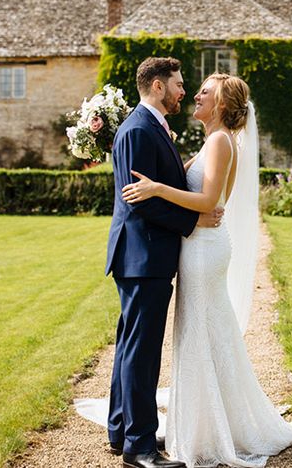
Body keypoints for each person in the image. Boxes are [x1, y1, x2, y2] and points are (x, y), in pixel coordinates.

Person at [122, 73, 292, 468]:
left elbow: (205, 200)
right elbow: (194, 189)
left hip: (203, 250)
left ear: (221, 103)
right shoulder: (213, 142)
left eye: (204, 91)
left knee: (198, 334)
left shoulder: (220, 141)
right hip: (199, 246)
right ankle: (202, 422)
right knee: (201, 332)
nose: (195, 95)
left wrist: (156, 189)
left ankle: (207, 430)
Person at [106, 57, 224, 468]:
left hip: (142, 256)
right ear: (157, 86)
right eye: (177, 84)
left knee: (129, 346)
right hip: (144, 256)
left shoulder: (149, 126)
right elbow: (141, 203)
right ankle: (139, 446)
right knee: (142, 352)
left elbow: (162, 185)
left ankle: (122, 430)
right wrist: (195, 219)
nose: (182, 91)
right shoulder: (139, 128)